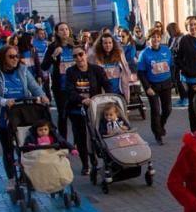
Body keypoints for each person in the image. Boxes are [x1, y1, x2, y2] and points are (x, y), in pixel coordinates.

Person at [0, 45, 49, 190]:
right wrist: (4, 101)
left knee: (26, 145)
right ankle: (11, 178)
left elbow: (34, 86)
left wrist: (42, 96)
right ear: (3, 58)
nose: (15, 60)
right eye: (11, 57)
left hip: (23, 112)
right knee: (8, 149)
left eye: (16, 56)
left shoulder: (23, 70)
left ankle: (28, 174)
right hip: (4, 114)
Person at [64, 46, 110, 175]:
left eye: (80, 54)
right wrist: (81, 99)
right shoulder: (70, 72)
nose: (79, 58)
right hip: (77, 110)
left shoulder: (97, 70)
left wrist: (108, 98)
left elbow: (107, 85)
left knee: (96, 136)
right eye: (75, 56)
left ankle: (97, 160)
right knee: (81, 138)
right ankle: (85, 164)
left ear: (85, 55)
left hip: (94, 108)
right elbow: (70, 90)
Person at [138, 28, 176, 144]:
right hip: (152, 86)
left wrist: (173, 81)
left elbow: (172, 66)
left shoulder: (166, 50)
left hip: (166, 84)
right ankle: (158, 134)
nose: (156, 39)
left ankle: (161, 125)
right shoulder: (144, 54)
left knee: (168, 109)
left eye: (158, 37)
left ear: (161, 38)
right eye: (153, 37)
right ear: (148, 40)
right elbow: (141, 73)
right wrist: (147, 88)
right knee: (155, 110)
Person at [40, 22, 77, 140]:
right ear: (56, 32)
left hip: (76, 86)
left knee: (77, 116)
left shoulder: (74, 45)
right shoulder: (52, 47)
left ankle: (78, 142)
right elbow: (44, 66)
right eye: (61, 30)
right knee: (63, 116)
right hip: (60, 87)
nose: (65, 31)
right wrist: (53, 56)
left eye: (66, 29)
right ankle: (63, 141)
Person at [91, 32, 132, 101]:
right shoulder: (96, 57)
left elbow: (125, 69)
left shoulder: (119, 54)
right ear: (101, 44)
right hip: (104, 94)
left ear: (113, 44)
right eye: (105, 43)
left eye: (110, 43)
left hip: (119, 92)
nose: (108, 45)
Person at [166, 23, 189, 107]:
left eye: (169, 31)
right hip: (175, 63)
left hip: (181, 63)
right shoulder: (174, 38)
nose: (168, 33)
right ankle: (182, 98)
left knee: (180, 81)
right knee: (177, 81)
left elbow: (176, 50)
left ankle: (185, 99)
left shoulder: (181, 38)